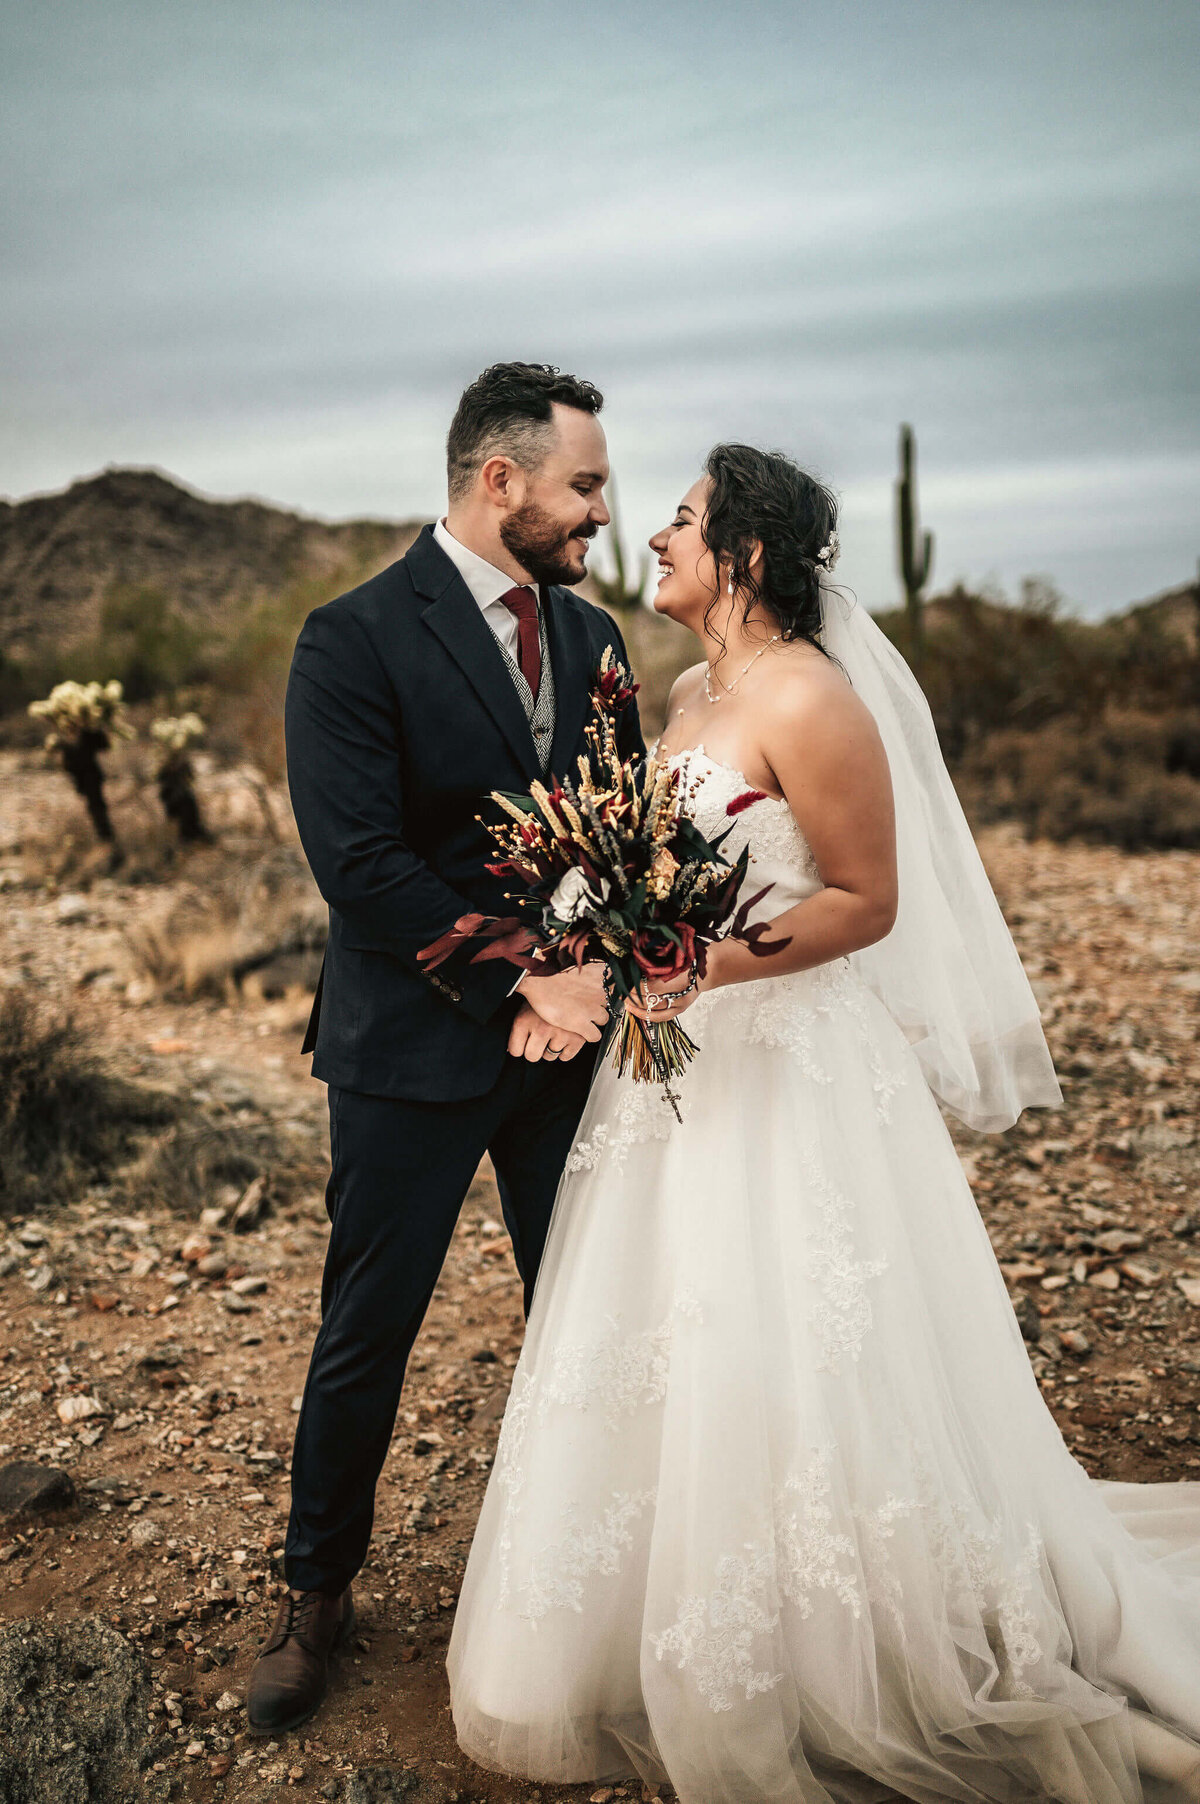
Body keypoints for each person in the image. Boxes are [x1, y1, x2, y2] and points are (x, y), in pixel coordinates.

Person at [447, 444, 1200, 1802]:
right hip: (674, 1062)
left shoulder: (814, 698)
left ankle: (855, 1640)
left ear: (741, 556)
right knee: (667, 1327)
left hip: (790, 1063)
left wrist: (695, 965)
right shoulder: (684, 692)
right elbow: (652, 868)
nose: (654, 538)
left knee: (793, 1320)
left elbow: (865, 899)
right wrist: (603, 935)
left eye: (679, 520)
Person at [246, 362, 645, 1735]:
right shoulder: (349, 638)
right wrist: (528, 976)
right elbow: (360, 867)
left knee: (587, 1314)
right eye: (584, 484)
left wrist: (599, 970)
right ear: (502, 481)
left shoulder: (594, 642)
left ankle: (592, 1583)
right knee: (369, 1328)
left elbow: (616, 832)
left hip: (568, 1051)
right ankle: (317, 1593)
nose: (604, 510)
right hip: (411, 1054)